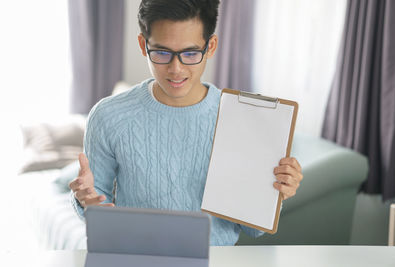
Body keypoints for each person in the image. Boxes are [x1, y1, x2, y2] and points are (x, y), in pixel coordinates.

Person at [69, 0, 303, 246]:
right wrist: (86, 201)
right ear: (143, 45)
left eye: (190, 53)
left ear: (210, 46)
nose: (176, 69)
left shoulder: (242, 119)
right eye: (162, 52)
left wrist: (275, 192)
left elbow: (253, 230)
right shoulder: (108, 116)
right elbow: (97, 208)